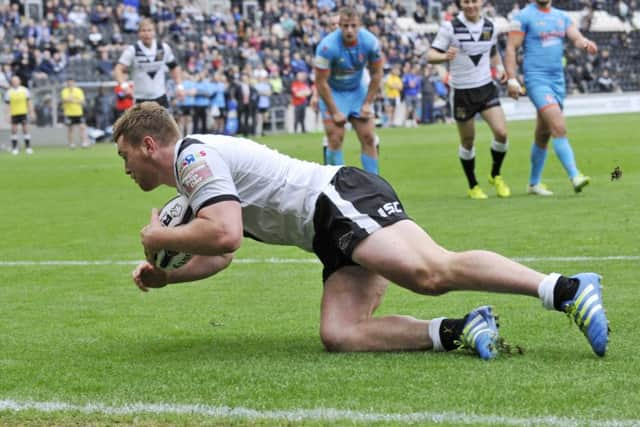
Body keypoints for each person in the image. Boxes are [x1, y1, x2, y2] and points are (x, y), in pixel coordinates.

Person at [113, 102, 609, 360]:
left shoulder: (193, 158)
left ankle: (564, 289)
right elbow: (220, 254)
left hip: (337, 201)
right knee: (340, 334)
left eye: (125, 156)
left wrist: (159, 239)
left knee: (429, 272)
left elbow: (224, 235)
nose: (125, 169)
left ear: (149, 144)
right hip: (325, 234)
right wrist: (167, 277)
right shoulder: (189, 180)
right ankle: (461, 329)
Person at [505, 0, 595, 196]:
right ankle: (575, 175)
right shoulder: (523, 16)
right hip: (536, 80)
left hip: (558, 81)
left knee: (543, 133)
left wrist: (584, 43)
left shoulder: (561, 16)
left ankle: (533, 184)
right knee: (558, 126)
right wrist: (512, 78)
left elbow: (576, 37)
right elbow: (511, 47)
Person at [428, 0, 511, 200]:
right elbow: (431, 55)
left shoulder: (490, 26)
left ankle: (495, 175)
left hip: (485, 88)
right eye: (466, 2)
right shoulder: (450, 27)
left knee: (501, 133)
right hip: (462, 92)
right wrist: (444, 57)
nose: (470, 5)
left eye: (474, 1)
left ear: (481, 2)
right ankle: (473, 185)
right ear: (460, 4)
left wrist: (500, 70)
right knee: (468, 141)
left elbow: (492, 53)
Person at [313, 7, 384, 174]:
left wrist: (367, 103)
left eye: (353, 25)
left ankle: (374, 186)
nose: (349, 30)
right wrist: (334, 111)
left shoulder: (370, 42)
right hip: (334, 93)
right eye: (345, 26)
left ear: (359, 25)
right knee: (335, 138)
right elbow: (321, 82)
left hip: (357, 91)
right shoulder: (326, 47)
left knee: (368, 136)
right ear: (339, 26)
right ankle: (338, 186)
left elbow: (377, 73)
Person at [113, 18, 184, 108]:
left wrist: (179, 87)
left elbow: (174, 67)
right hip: (140, 98)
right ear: (139, 33)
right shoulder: (133, 50)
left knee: (162, 122)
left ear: (154, 32)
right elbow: (118, 69)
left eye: (150, 30)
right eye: (143, 31)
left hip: (160, 97)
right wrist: (124, 85)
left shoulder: (163, 48)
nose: (147, 33)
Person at [3, 76, 34, 155]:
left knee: (25, 129)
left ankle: (28, 148)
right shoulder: (9, 92)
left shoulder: (25, 90)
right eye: (13, 81)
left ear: (19, 81)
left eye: (16, 80)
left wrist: (31, 112)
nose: (15, 82)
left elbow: (29, 102)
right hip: (14, 114)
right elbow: (7, 105)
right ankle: (14, 148)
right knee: (14, 130)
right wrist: (7, 115)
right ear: (12, 82)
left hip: (23, 113)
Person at [60, 77, 89, 149]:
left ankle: (84, 142)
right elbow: (65, 99)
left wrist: (72, 100)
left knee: (82, 127)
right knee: (70, 129)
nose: (70, 83)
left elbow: (82, 101)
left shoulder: (78, 90)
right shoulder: (64, 91)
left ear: (74, 82)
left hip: (78, 112)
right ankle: (71, 144)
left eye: (71, 82)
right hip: (69, 113)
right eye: (69, 82)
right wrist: (75, 99)